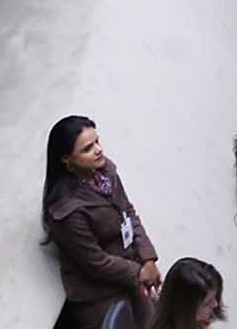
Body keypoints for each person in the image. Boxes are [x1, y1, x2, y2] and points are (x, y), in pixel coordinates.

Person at [41, 115, 160, 328]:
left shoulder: (106, 173)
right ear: (66, 160)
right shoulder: (67, 210)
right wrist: (139, 272)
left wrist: (148, 259)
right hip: (100, 293)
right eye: (87, 149)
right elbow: (95, 262)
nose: (98, 150)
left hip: (132, 273)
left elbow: (128, 212)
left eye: (97, 141)